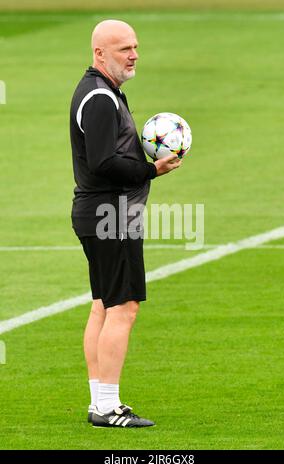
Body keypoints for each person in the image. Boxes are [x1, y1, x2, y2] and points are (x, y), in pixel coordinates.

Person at [70, 19, 181, 428]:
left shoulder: (104, 92)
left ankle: (99, 401)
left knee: (103, 305)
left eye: (135, 47)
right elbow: (102, 163)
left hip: (104, 214)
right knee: (123, 307)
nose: (133, 55)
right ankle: (107, 406)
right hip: (110, 215)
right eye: (123, 49)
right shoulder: (100, 99)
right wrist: (152, 170)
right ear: (100, 53)